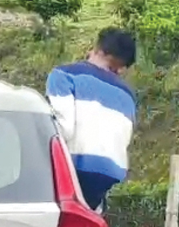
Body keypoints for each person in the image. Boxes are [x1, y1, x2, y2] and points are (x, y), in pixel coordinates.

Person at [45, 27, 137, 213]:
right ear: (122, 67)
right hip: (111, 173)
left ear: (98, 49)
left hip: (74, 168)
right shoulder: (127, 94)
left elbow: (63, 129)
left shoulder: (64, 75)